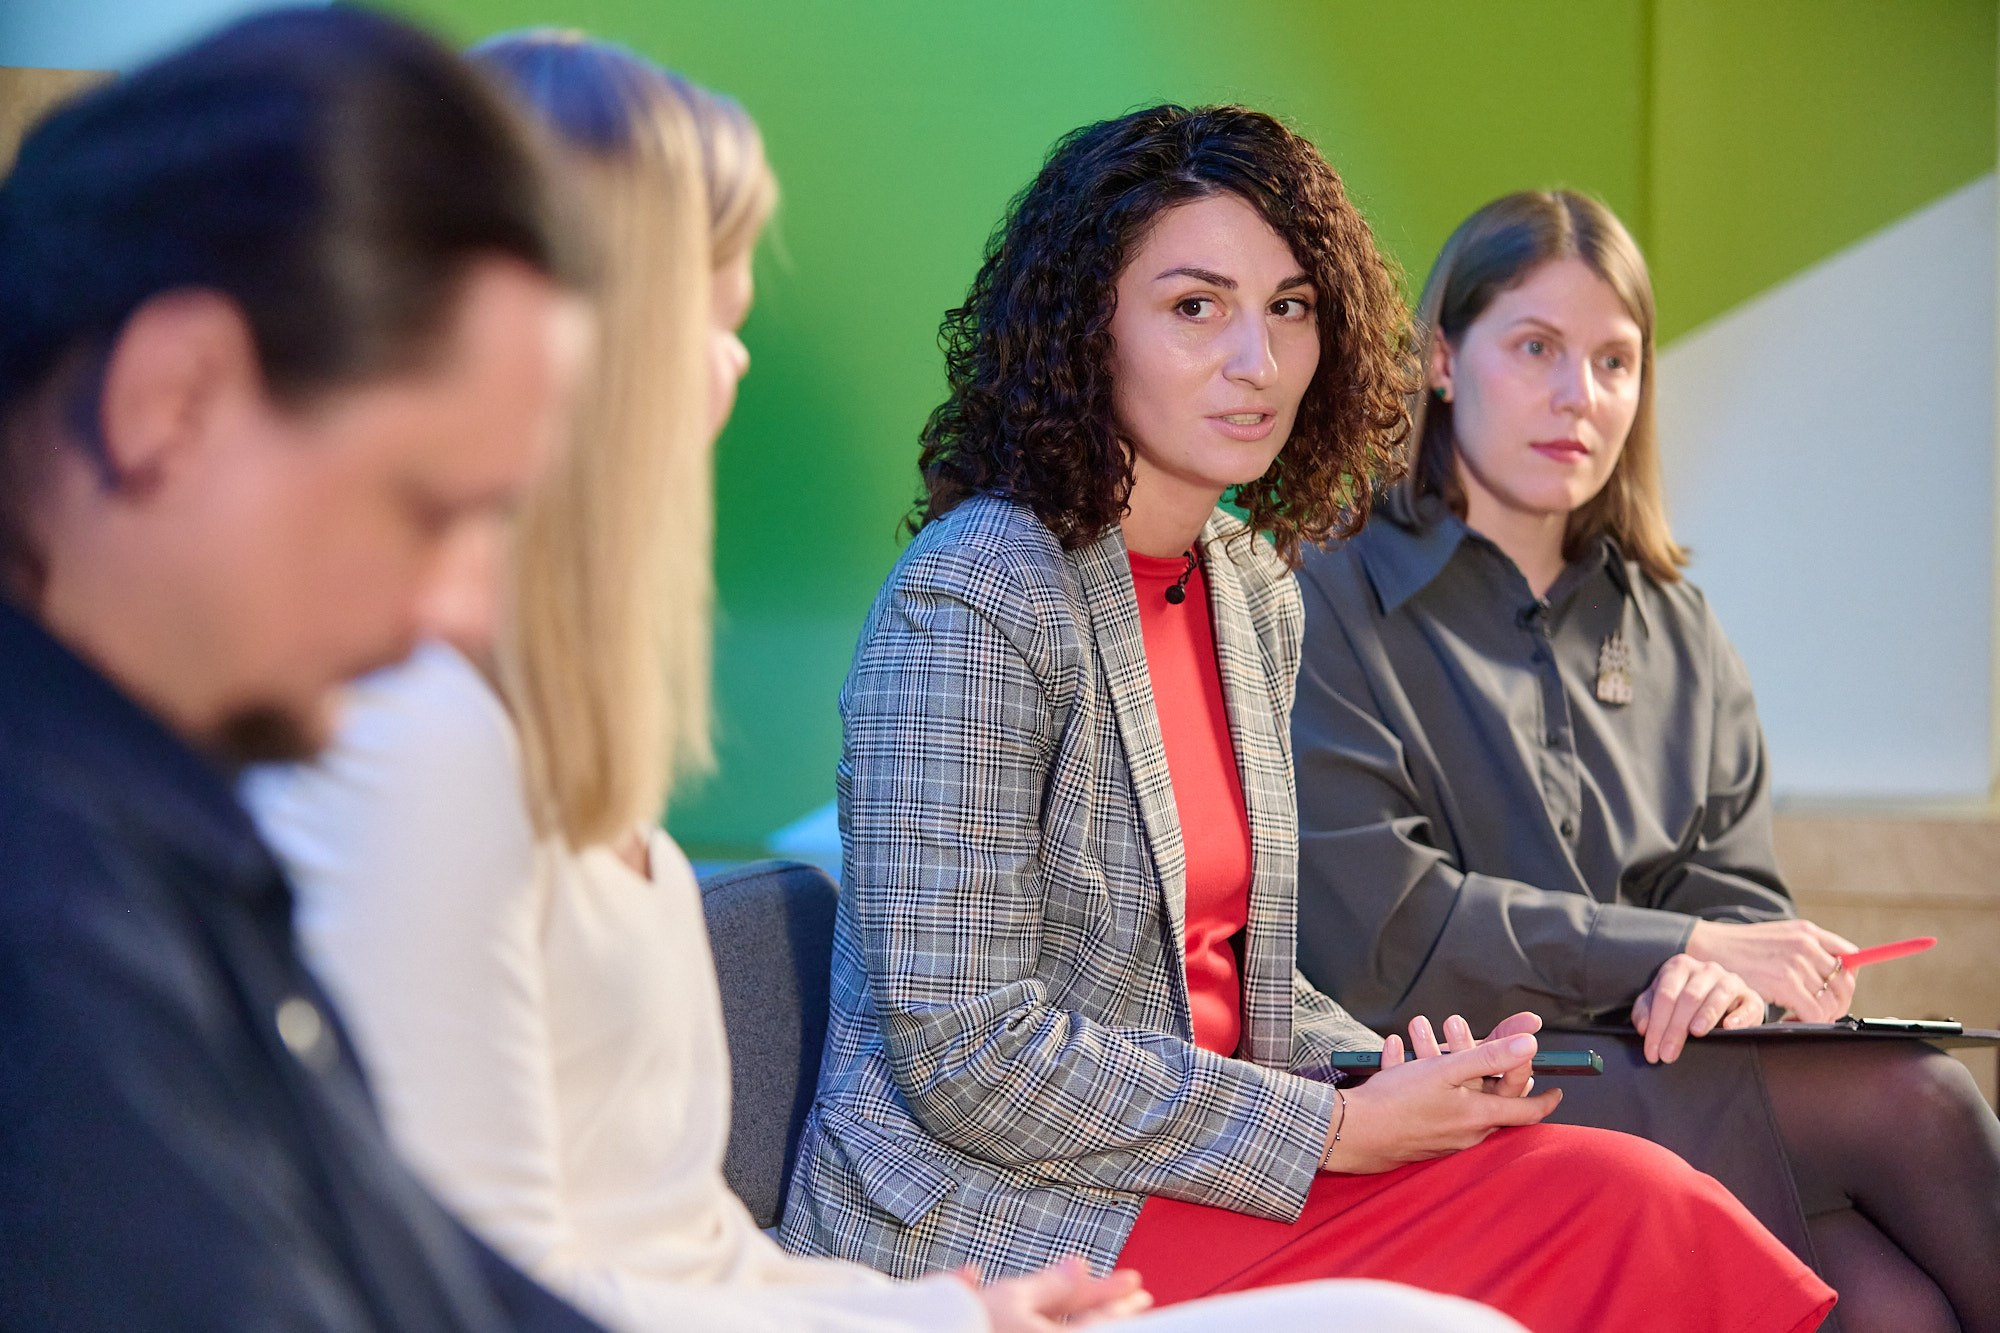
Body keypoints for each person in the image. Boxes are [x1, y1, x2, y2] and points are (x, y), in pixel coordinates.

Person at [245, 35, 1514, 1333]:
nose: (733, 366)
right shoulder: (427, 749)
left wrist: (946, 1314)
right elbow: (492, 1290)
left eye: (1289, 308)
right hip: (1008, 1205)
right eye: (706, 322)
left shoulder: (539, 746)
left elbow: (681, 1241)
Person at [777, 104, 1835, 1333]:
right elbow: (963, 1051)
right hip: (1006, 1218)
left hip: (1214, 1164)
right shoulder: (973, 596)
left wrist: (1400, 1071)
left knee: (1637, 1194)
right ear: (1083, 328)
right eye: (1194, 307)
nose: (1258, 360)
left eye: (1288, 306)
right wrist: (1330, 1125)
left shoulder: (1249, 585)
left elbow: (1227, 980)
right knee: (1623, 1219)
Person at [1289, 188, 2000, 1333]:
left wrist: (1723, 971)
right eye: (1535, 347)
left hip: (1674, 1064)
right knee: (1915, 1097)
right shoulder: (1322, 593)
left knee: (1894, 1308)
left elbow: (1731, 891)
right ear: (1441, 360)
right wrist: (1672, 946)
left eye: (1613, 361)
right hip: (1448, 1078)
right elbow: (1387, 931)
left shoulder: (1678, 627)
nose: (1578, 394)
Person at [0, 10, 611, 1330]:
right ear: (172, 398)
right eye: (426, 509)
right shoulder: (43, 934)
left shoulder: (149, 834)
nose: (460, 608)